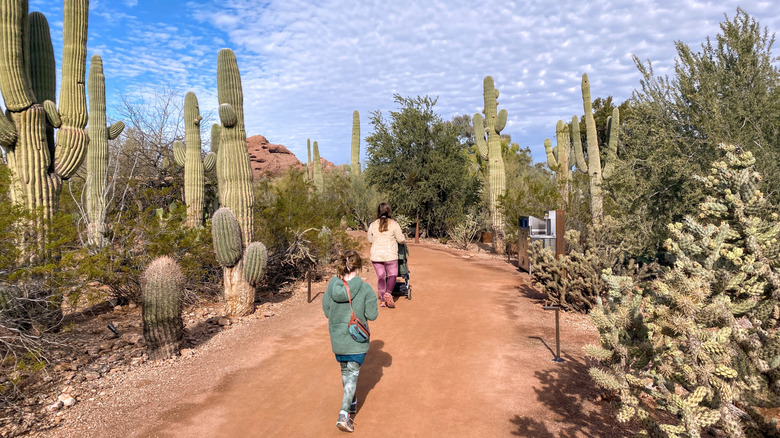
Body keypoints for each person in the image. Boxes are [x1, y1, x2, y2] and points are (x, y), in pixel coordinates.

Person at [322, 250, 378, 433]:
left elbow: (327, 311)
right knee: (353, 374)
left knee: (345, 370)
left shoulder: (332, 287)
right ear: (359, 268)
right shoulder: (365, 289)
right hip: (356, 339)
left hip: (338, 339)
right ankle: (344, 415)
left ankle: (351, 401)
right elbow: (372, 315)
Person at [367, 202, 405, 308]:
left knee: (381, 276)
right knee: (392, 274)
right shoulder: (394, 224)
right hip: (390, 255)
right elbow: (400, 239)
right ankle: (388, 293)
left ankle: (383, 299)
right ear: (389, 211)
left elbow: (370, 239)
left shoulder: (373, 224)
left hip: (376, 255)